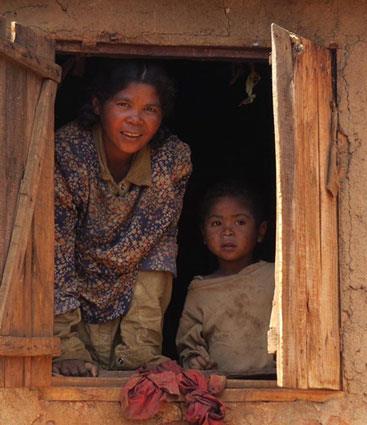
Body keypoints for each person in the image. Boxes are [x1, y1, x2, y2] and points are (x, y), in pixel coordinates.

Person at [52, 60, 192, 377]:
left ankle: (139, 352)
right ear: (98, 105)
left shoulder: (171, 160)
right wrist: (64, 348)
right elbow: (55, 249)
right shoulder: (69, 152)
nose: (135, 120)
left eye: (150, 109)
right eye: (123, 104)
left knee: (162, 252)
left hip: (135, 293)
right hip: (70, 293)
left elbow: (158, 246)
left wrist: (141, 349)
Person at [176, 181, 276, 375]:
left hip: (271, 381)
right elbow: (188, 344)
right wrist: (195, 359)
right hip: (222, 389)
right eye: (216, 223)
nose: (227, 232)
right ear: (204, 234)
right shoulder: (200, 290)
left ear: (261, 231)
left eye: (240, 222)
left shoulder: (274, 277)